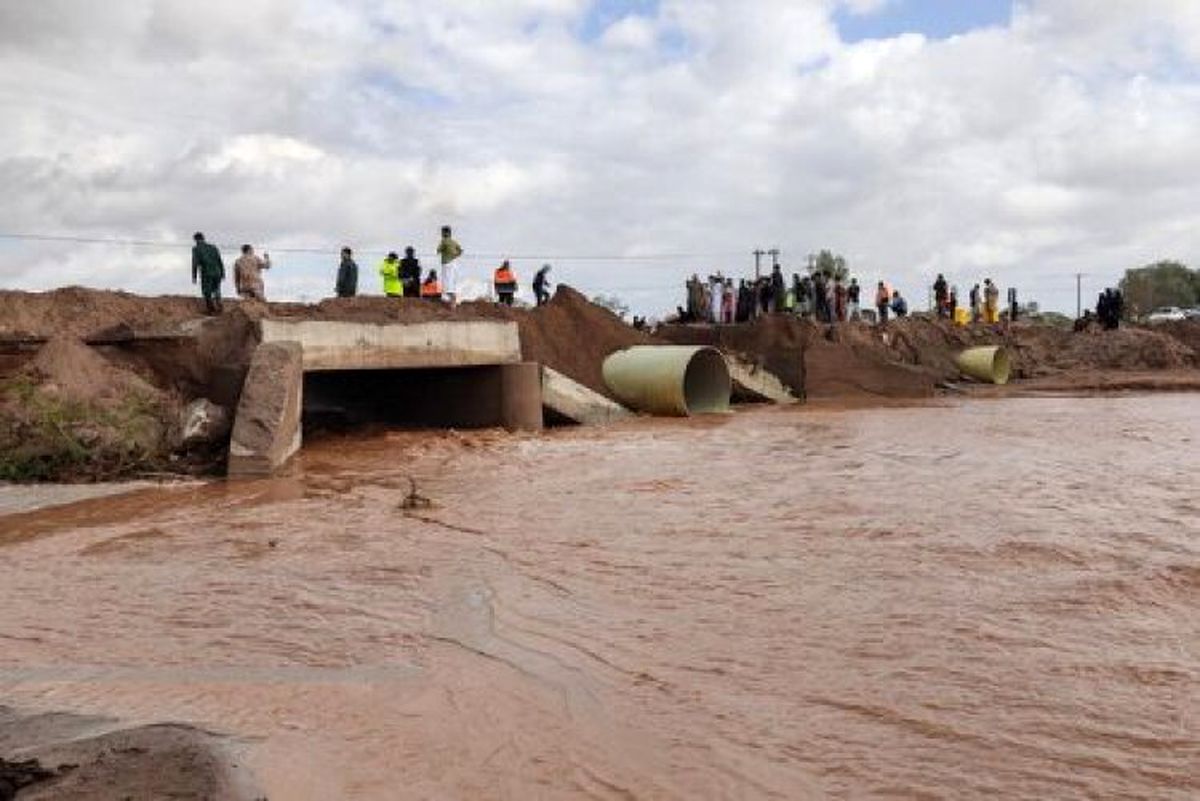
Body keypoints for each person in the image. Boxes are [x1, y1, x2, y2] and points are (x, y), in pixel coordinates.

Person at [191, 232, 225, 315]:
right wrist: (223, 272)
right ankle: (220, 307)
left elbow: (195, 263)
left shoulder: (196, 249)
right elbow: (219, 260)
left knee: (207, 291)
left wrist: (194, 276)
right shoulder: (213, 247)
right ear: (204, 238)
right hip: (217, 272)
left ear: (195, 240)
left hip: (206, 273)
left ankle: (211, 310)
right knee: (217, 289)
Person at [436, 226, 463, 306]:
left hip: (447, 263)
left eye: (442, 232)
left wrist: (444, 251)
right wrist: (454, 255)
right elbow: (460, 250)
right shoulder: (454, 242)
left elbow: (438, 250)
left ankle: (452, 300)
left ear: (445, 233)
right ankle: (453, 300)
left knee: (447, 282)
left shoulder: (444, 241)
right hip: (454, 262)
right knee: (452, 281)